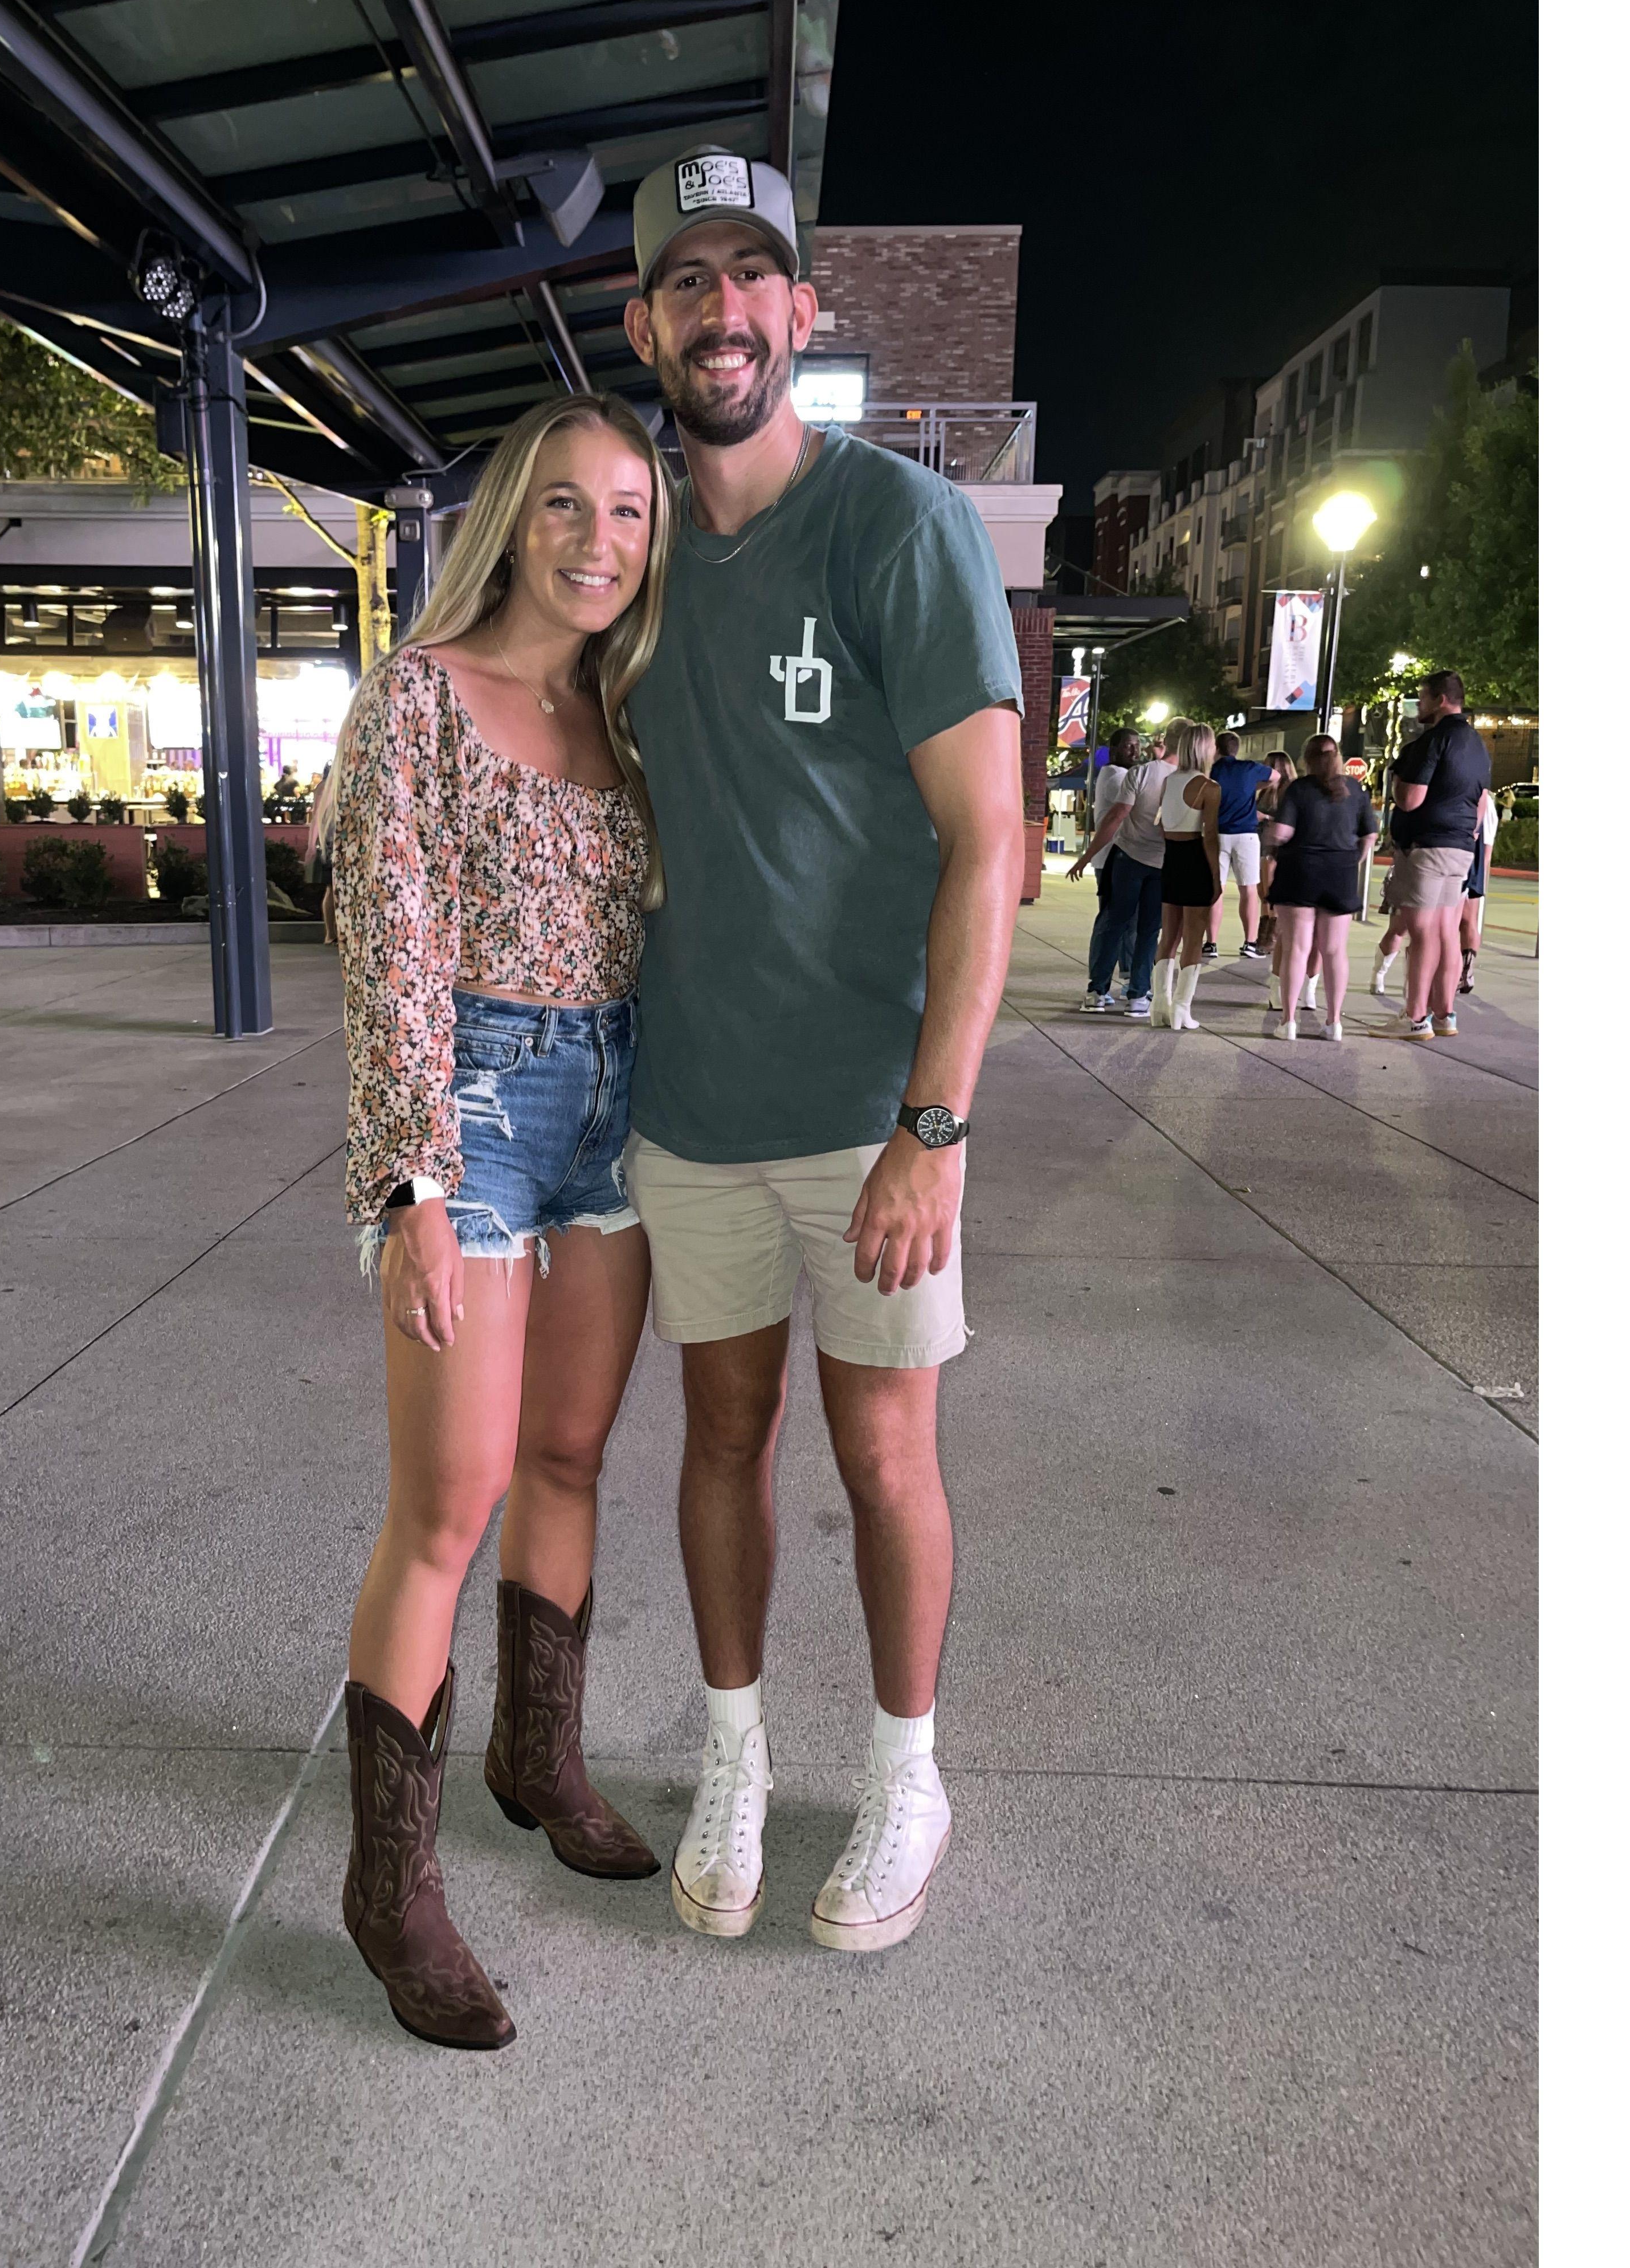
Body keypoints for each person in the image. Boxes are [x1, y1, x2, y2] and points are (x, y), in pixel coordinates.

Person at [617, 145, 1026, 1953]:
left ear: (802, 308)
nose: (722, 310)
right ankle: (734, 1756)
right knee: (722, 1436)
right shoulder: (629, 549)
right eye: (686, 281)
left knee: (885, 1456)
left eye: (750, 277)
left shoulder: (898, 527)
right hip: (690, 1108)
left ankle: (907, 1775)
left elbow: (990, 845)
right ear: (645, 322)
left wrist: (935, 1126)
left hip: (871, 1119)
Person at [325, 392, 674, 2052]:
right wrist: (412, 1186)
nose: (599, 540)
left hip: (619, 1106)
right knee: (448, 1500)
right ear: (509, 523)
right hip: (471, 1104)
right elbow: (387, 942)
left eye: (630, 511)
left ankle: (538, 1757)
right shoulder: (420, 696)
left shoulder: (637, 713)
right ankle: (389, 1889)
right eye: (565, 506)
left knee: (570, 1457)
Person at [1373, 670, 1491, 1041]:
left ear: (1440, 700)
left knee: (1421, 934)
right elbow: (1481, 802)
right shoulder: (1477, 744)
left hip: (1425, 847)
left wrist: (1396, 783)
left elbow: (1411, 799)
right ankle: (1445, 1015)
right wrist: (1466, 833)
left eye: (1422, 698)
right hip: (1461, 848)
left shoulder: (1432, 741)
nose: (1417, 705)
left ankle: (1414, 1018)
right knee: (1446, 933)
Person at [1265, 734, 1378, 1042]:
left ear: (1307, 759)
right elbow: (1370, 835)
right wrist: (1353, 859)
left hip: (1299, 872)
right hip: (1340, 874)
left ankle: (1288, 1022)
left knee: (1296, 949)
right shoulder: (1355, 790)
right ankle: (1334, 1023)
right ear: (1338, 756)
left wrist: (1268, 837)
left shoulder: (1299, 789)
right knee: (1334, 951)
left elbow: (1282, 832)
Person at [1069, 732, 1166, 1017]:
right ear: (1113, 749)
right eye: (1128, 746)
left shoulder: (1120, 774)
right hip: (1117, 858)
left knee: (1124, 925)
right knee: (1120, 925)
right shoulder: (1118, 776)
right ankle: (1115, 988)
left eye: (1137, 746)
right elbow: (1122, 812)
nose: (1135, 751)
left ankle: (1119, 985)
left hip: (1120, 857)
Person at [1150, 721, 1222, 1030]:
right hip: (1196, 860)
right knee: (1194, 937)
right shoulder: (1209, 787)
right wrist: (1216, 876)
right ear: (1205, 748)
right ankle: (1181, 1009)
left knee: (1168, 936)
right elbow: (1211, 836)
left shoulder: (1169, 782)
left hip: (1172, 859)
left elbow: (1162, 825)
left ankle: (1159, 1005)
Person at [1206, 730, 1273, 959]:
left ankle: (1211, 943)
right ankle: (1250, 943)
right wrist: (1251, 788)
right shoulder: (1249, 768)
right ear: (1237, 749)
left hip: (1218, 834)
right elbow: (1275, 776)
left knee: (1217, 889)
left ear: (1216, 748)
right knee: (1249, 890)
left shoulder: (1211, 771)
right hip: (1246, 835)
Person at [1458, 784, 1500, 998]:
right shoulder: (1488, 803)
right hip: (1475, 866)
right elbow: (1488, 846)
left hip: (1466, 862)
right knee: (1469, 921)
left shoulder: (1479, 800)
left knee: (1457, 921)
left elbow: (1487, 845)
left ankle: (1460, 972)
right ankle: (1466, 972)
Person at [1252, 748, 1294, 956]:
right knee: (1262, 891)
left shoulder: (1289, 791)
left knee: (1271, 890)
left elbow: (1289, 819)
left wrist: (1266, 817)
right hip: (1261, 841)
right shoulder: (1265, 790)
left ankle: (1272, 937)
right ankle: (1264, 933)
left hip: (1276, 846)